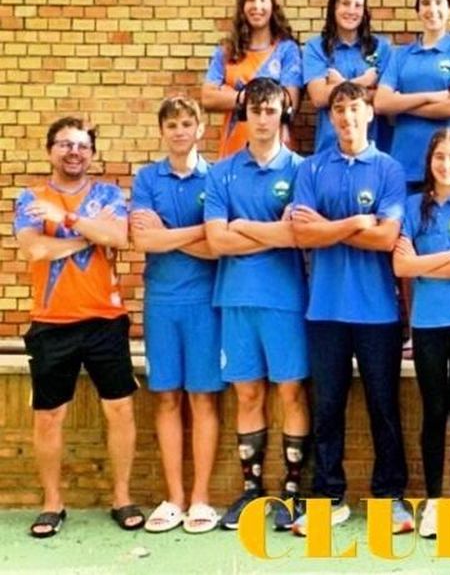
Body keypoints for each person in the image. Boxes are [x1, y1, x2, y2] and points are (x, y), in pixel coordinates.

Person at [286, 81, 411, 535]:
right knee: (328, 409)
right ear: (331, 117)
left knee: (384, 407)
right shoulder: (313, 168)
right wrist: (357, 221)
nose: (346, 117)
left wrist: (329, 227)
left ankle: (390, 497)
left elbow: (386, 238)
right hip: (325, 310)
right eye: (338, 109)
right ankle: (328, 496)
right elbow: (302, 234)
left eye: (354, 109)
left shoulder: (389, 170)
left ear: (369, 113)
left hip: (378, 312)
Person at [16, 116, 140, 537]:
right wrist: (89, 234)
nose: (74, 151)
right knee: (49, 415)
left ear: (92, 152)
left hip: (106, 319)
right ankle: (53, 503)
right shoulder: (30, 197)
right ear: (50, 149)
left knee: (119, 409)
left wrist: (64, 220)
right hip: (51, 322)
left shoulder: (108, 193)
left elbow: (120, 237)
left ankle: (121, 498)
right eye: (65, 144)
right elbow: (35, 249)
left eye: (82, 145)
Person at [202, 78, 308, 532]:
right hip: (235, 298)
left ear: (283, 113)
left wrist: (243, 226)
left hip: (286, 299)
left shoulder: (303, 170)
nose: (263, 119)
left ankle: (293, 492)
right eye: (255, 110)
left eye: (271, 110)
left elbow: (297, 235)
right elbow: (216, 240)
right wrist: (267, 232)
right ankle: (252, 490)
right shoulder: (221, 172)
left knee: (291, 392)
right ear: (244, 115)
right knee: (248, 393)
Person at [129, 98, 222, 534]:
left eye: (188, 123)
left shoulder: (217, 176)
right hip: (161, 303)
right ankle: (174, 498)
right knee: (166, 397)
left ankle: (201, 498)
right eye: (173, 124)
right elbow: (143, 240)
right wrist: (191, 234)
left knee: (203, 397)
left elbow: (215, 244)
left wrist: (166, 234)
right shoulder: (147, 178)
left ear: (200, 128)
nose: (181, 130)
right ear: (161, 131)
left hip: (205, 300)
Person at [394, 129, 450, 538]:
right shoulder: (413, 207)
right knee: (434, 413)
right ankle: (433, 503)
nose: (446, 165)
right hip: (428, 325)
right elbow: (401, 268)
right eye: (440, 157)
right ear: (430, 161)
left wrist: (427, 261)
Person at [374, 0, 450, 187]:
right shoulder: (400, 55)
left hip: (446, 167)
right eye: (425, 3)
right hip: (403, 162)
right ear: (417, 10)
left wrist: (401, 103)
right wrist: (430, 96)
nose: (432, 9)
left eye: (439, 2)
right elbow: (381, 103)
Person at [200, 0, 301, 158]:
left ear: (273, 6)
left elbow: (290, 100)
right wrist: (249, 95)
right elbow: (207, 97)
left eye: (263, 0)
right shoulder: (227, 51)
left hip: (275, 154)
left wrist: (232, 94)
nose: (257, 6)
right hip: (233, 150)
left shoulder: (287, 50)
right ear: (242, 7)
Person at [302, 0, 392, 156]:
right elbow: (319, 97)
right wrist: (363, 82)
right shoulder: (315, 47)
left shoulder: (382, 47)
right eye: (345, 3)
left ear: (364, 11)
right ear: (334, 7)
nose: (351, 11)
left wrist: (338, 85)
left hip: (374, 150)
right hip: (329, 150)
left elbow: (384, 98)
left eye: (358, 5)